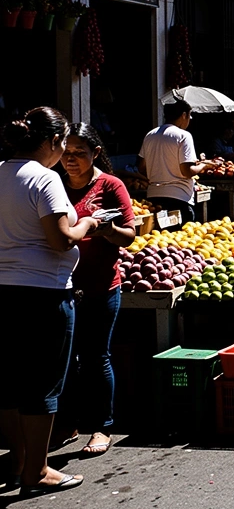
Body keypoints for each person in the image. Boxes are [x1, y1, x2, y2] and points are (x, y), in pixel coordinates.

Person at [0, 107, 100, 496]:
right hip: (42, 294)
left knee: (8, 383)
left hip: (4, 292)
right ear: (55, 142)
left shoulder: (1, 172)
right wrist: (88, 223)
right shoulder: (45, 178)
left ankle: (20, 460)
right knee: (42, 384)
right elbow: (61, 239)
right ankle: (38, 471)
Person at [57, 123, 135, 458]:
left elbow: (130, 235)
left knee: (96, 357)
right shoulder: (54, 184)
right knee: (66, 361)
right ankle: (68, 423)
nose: (71, 160)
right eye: (67, 153)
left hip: (101, 285)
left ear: (96, 154)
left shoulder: (110, 185)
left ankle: (102, 426)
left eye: (79, 153)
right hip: (61, 286)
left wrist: (107, 230)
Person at [137, 100, 214, 229]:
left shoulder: (150, 135)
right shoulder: (184, 136)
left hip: (154, 196)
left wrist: (157, 174)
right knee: (178, 243)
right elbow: (187, 171)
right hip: (179, 198)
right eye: (189, 117)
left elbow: (141, 167)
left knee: (159, 241)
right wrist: (204, 166)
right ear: (184, 115)